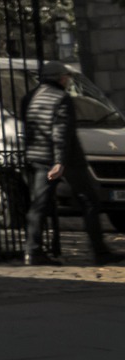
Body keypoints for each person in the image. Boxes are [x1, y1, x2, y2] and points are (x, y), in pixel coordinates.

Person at [23, 61, 115, 266]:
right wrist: (60, 162)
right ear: (60, 78)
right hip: (67, 161)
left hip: (39, 157)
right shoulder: (61, 99)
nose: (67, 80)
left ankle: (32, 250)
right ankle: (100, 251)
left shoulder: (30, 98)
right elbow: (61, 132)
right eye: (66, 77)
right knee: (89, 201)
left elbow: (29, 129)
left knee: (39, 205)